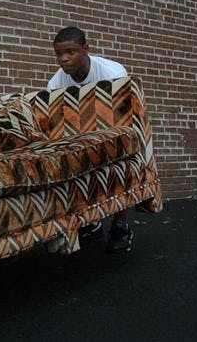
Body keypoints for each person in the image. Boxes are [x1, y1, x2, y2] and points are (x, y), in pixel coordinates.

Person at [47, 26, 134, 254]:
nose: (63, 59)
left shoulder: (111, 73)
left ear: (86, 49)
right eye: (58, 53)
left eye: (70, 52)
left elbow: (123, 118)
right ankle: (91, 223)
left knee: (119, 162)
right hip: (79, 135)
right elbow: (56, 122)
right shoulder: (56, 84)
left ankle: (121, 226)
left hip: (115, 130)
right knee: (66, 162)